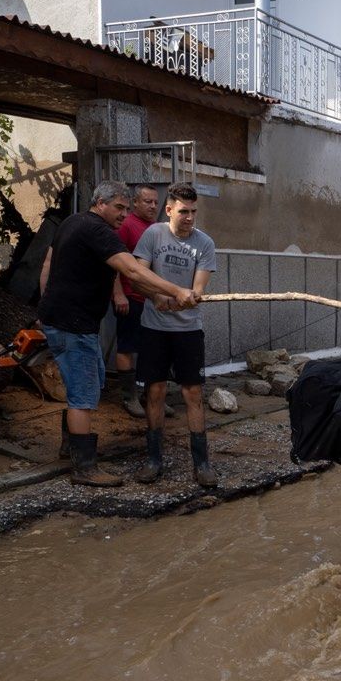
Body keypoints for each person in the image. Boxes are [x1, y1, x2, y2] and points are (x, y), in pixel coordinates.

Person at [38, 181, 200, 487]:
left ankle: (68, 447)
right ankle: (84, 468)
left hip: (62, 320)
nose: (124, 215)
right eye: (119, 208)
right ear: (100, 203)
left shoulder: (73, 222)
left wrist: (154, 297)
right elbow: (134, 271)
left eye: (127, 209)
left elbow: (48, 264)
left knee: (87, 384)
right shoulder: (97, 231)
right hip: (73, 325)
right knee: (83, 395)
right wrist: (177, 289)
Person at [132, 182, 219, 487]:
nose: (190, 217)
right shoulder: (152, 235)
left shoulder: (205, 243)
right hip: (154, 327)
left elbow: (198, 287)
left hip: (188, 330)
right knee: (154, 392)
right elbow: (139, 275)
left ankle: (202, 462)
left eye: (194, 211)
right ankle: (154, 459)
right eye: (184, 211)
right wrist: (157, 297)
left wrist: (191, 295)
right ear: (169, 210)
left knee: (192, 394)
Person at [112, 184, 162, 419]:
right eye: (147, 201)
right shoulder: (126, 226)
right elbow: (111, 261)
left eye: (155, 201)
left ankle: (150, 397)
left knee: (152, 348)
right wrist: (118, 294)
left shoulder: (156, 228)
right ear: (135, 203)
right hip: (130, 297)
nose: (153, 206)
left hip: (152, 298)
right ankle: (129, 396)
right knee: (127, 346)